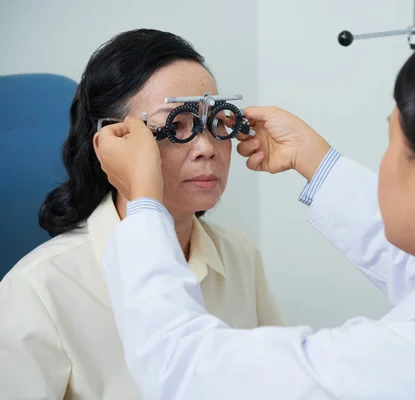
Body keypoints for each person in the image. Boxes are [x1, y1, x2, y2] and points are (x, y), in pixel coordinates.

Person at [95, 30, 415, 399]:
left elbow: (183, 367)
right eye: (178, 125)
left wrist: (143, 200)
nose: (206, 146)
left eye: (390, 142)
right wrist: (316, 161)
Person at [0, 29, 285, 399]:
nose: (206, 148)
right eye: (175, 125)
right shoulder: (38, 289)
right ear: (110, 142)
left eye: (216, 122)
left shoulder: (239, 256)